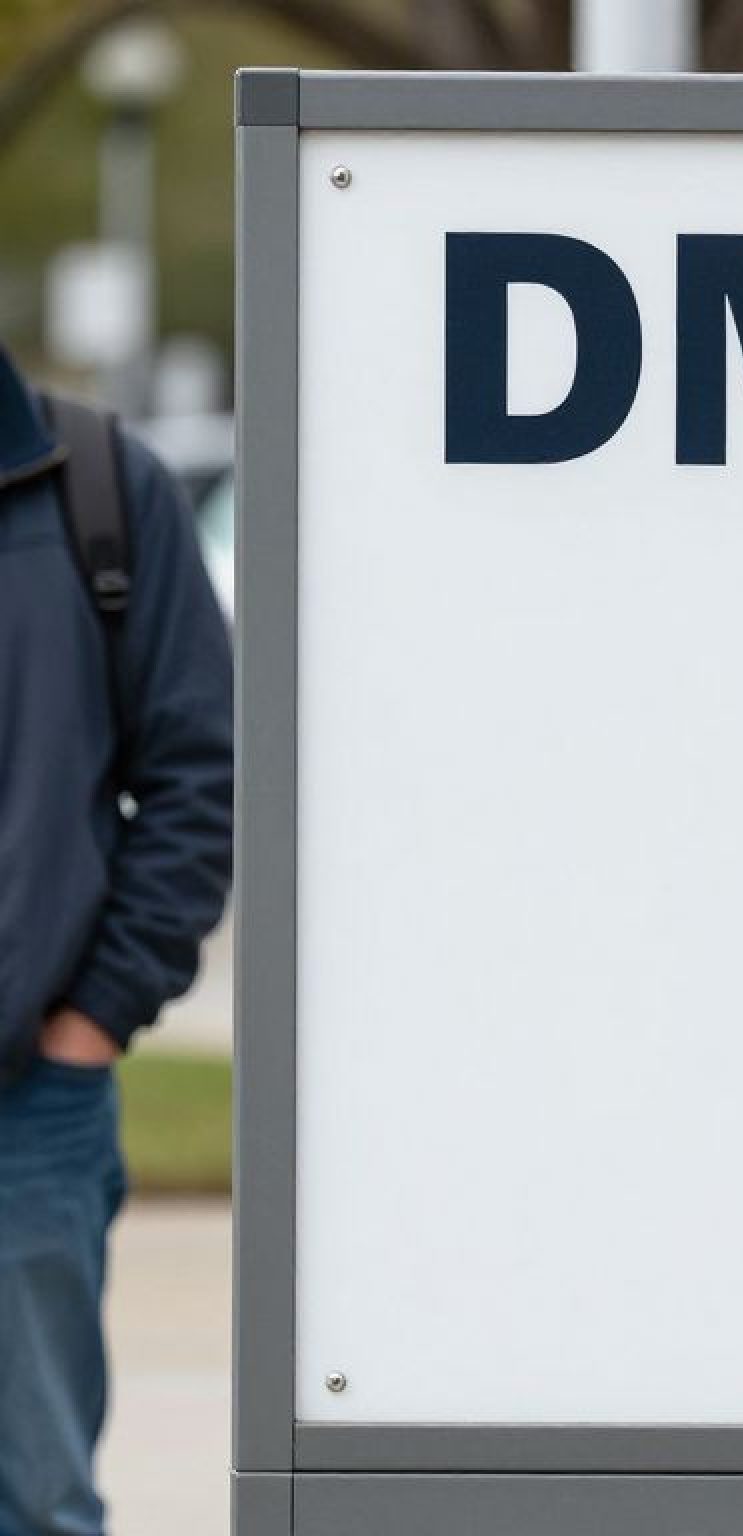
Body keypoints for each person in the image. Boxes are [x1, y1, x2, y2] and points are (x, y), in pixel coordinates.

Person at [0, 344, 232, 1536]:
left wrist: (95, 1015)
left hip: (26, 1115)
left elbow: (200, 779)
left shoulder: (97, 484)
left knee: (33, 1504)